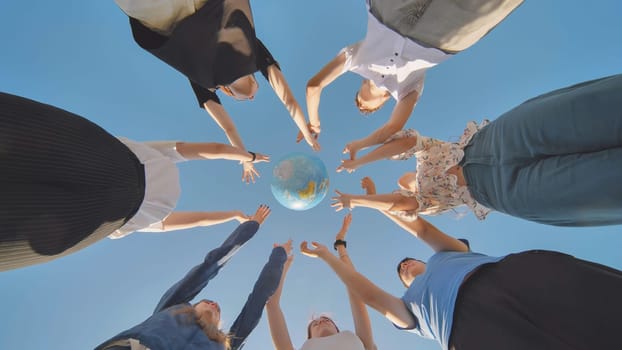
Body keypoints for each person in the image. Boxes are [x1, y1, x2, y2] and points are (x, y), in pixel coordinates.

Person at [0, 92, 266, 271]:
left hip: (99, 165)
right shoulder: (139, 218)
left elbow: (214, 150)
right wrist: (233, 213)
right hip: (99, 212)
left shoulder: (144, 159)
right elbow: (197, 217)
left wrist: (246, 157)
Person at [332, 74, 622, 227]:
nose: (402, 182)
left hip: (493, 140)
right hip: (497, 190)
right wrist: (355, 200)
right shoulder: (425, 199)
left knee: (583, 111)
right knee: (596, 186)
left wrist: (361, 159)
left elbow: (404, 143)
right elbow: (400, 204)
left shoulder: (424, 155)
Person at [300, 212, 622, 349]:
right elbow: (367, 295)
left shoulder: (450, 254)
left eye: (408, 260)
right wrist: (332, 255)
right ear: (405, 284)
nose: (406, 265)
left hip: (505, 276)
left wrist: (376, 203)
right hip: (467, 328)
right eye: (401, 271)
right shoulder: (410, 308)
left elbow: (422, 230)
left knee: (598, 303)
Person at [114, 0, 320, 184]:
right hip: (178, 16)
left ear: (228, 92)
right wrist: (246, 158)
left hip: (167, 20)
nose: (250, 97)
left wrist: (245, 158)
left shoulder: (204, 77)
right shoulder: (249, 52)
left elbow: (233, 127)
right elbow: (286, 100)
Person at [303, 0, 523, 161]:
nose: (364, 96)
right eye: (366, 104)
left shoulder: (357, 59)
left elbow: (314, 87)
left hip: (387, 14)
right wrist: (359, 146)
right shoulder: (407, 89)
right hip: (440, 37)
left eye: (360, 91)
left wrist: (313, 123)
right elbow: (391, 128)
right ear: (384, 103)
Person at [96, 205, 289, 350]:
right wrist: (251, 225)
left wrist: (278, 257)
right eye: (211, 304)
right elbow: (207, 268)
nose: (214, 304)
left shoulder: (226, 344)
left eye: (210, 304)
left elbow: (256, 304)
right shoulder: (173, 307)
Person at [265, 215, 377, 350]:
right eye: (315, 324)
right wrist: (282, 266)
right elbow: (272, 304)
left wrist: (341, 246)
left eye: (326, 320)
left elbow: (355, 289)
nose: (321, 321)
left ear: (338, 330)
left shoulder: (361, 342)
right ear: (309, 338)